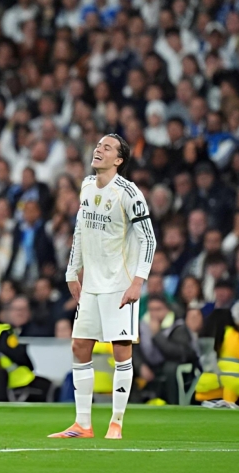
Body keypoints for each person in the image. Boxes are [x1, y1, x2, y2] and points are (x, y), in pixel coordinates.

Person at [51, 134, 156, 440]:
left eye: (107, 147)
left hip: (119, 284)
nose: (99, 149)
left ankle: (116, 423)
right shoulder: (85, 185)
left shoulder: (129, 193)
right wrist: (73, 271)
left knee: (120, 350)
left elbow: (148, 239)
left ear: (119, 160)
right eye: (98, 145)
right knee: (79, 345)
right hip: (92, 284)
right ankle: (82, 423)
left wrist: (138, 281)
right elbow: (81, 230)